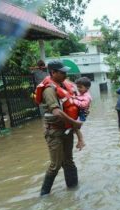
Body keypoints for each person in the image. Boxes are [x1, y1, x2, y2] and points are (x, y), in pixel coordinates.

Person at [34, 60, 83, 196]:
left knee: (69, 161)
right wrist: (74, 122)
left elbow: (73, 107)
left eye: (65, 72)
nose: (65, 74)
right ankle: (44, 196)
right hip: (54, 131)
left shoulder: (64, 86)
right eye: (62, 72)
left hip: (67, 130)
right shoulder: (49, 90)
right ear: (53, 73)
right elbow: (56, 112)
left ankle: (73, 191)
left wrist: (79, 131)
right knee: (55, 165)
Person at [72, 76, 92, 150]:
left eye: (80, 87)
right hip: (81, 113)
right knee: (75, 128)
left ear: (87, 88)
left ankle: (81, 141)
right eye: (78, 87)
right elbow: (79, 97)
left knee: (76, 127)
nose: (78, 89)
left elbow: (83, 105)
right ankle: (79, 142)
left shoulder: (87, 96)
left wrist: (74, 101)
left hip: (82, 114)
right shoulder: (83, 94)